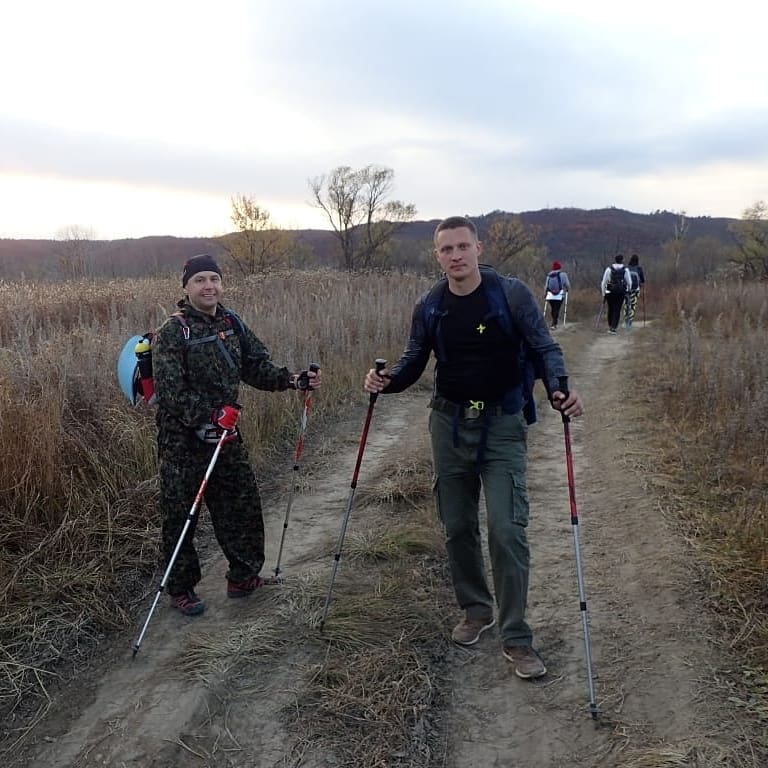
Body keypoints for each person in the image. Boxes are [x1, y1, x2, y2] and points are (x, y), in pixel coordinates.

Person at [364, 216, 584, 680]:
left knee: (507, 528)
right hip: (448, 423)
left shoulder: (512, 294)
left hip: (502, 423)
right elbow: (412, 362)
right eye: (446, 249)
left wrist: (560, 388)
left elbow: (545, 347)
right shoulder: (430, 305)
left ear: (478, 248)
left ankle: (517, 636)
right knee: (457, 524)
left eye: (463, 246)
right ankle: (476, 610)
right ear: (437, 255)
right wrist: (385, 383)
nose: (456, 256)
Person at [153, 254, 321, 616]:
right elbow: (170, 393)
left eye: (214, 278)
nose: (209, 285)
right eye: (200, 280)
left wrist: (292, 380)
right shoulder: (173, 331)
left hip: (226, 435)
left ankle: (243, 576)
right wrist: (209, 413)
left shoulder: (232, 323)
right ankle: (181, 588)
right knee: (181, 515)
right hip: (181, 440)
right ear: (186, 286)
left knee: (241, 504)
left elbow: (254, 366)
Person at [600, 253, 632, 334]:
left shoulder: (609, 269)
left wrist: (603, 293)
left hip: (610, 292)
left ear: (615, 260)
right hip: (620, 292)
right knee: (617, 309)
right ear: (622, 260)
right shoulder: (625, 270)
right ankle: (613, 328)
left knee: (610, 309)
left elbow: (604, 282)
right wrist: (628, 290)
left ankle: (610, 325)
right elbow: (629, 282)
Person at [544, 260, 571, 329]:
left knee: (553, 308)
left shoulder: (549, 275)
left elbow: (546, 286)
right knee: (557, 308)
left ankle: (553, 322)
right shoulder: (563, 275)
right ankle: (554, 323)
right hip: (560, 294)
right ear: (560, 268)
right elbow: (567, 285)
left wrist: (545, 294)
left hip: (550, 295)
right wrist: (567, 289)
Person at [624, 253, 646, 329]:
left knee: (626, 305)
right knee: (633, 305)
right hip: (636, 290)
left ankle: (626, 321)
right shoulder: (639, 268)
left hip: (626, 290)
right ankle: (630, 323)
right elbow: (643, 280)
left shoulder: (626, 268)